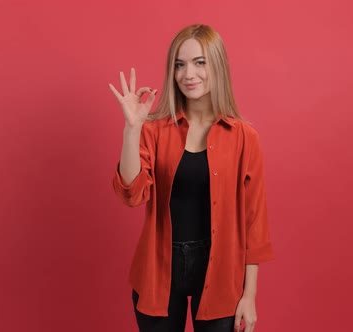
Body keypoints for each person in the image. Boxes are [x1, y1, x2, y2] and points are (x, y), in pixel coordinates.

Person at [109, 24, 274, 332]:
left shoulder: (244, 138)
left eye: (200, 62)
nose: (189, 74)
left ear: (218, 66)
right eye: (179, 65)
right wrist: (132, 130)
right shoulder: (154, 130)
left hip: (221, 271)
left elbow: (255, 224)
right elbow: (132, 194)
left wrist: (249, 296)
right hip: (159, 269)